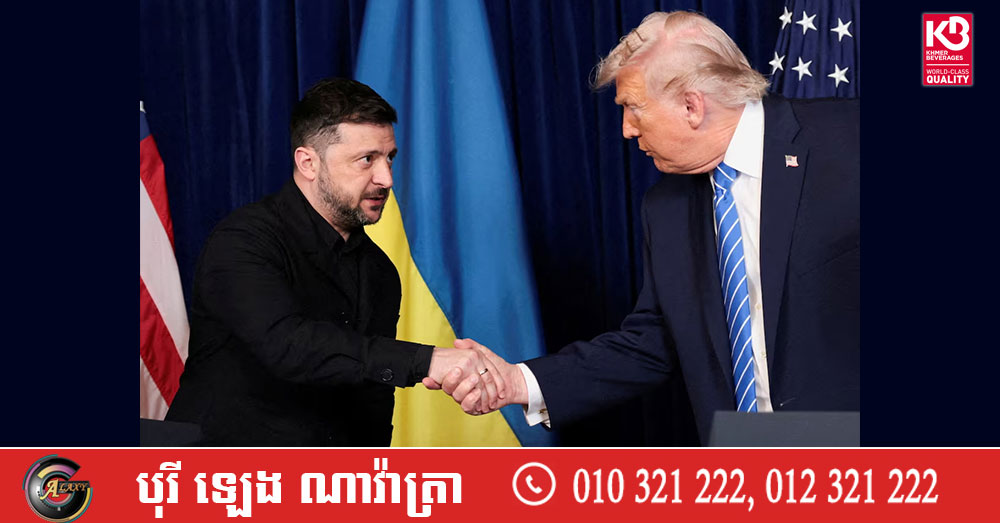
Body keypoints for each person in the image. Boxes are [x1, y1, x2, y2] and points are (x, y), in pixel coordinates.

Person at [426, 11, 859, 444]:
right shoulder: (666, 207)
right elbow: (654, 342)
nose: (626, 130)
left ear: (691, 106)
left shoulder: (849, 140)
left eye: (632, 108)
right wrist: (518, 382)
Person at [166, 78, 503, 446]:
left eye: (389, 158)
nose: (386, 178)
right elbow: (288, 345)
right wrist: (426, 360)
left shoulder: (380, 271)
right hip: (218, 470)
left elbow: (372, 403)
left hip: (331, 477)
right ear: (308, 163)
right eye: (367, 160)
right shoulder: (243, 240)